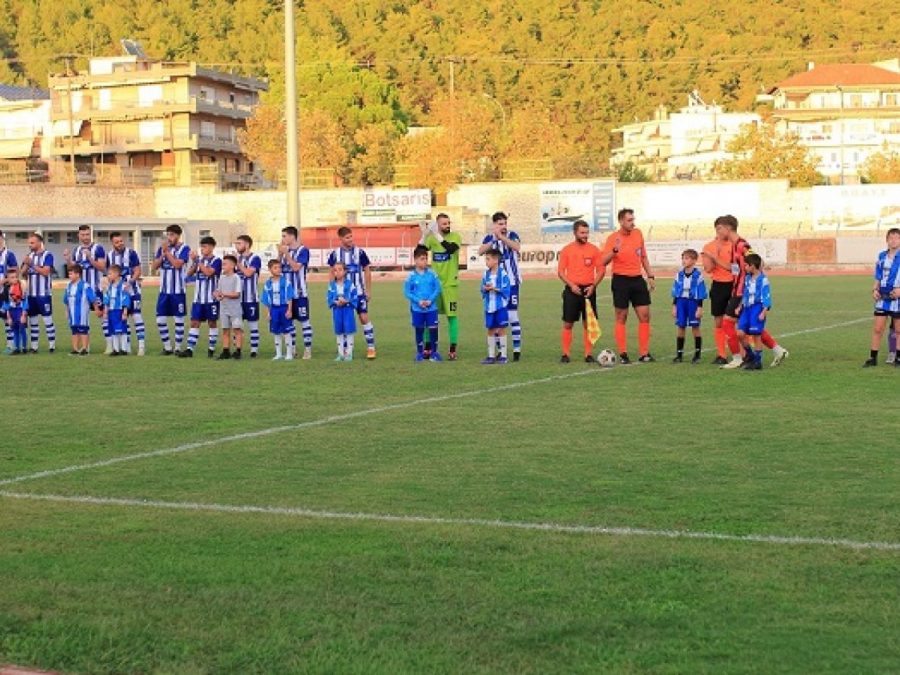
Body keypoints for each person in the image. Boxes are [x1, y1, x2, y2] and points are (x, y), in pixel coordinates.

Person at [717, 216, 790, 369]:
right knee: (749, 327)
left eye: (719, 229)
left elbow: (758, 262)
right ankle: (776, 350)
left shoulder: (742, 245)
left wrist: (755, 282)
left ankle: (739, 358)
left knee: (727, 323)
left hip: (743, 292)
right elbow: (735, 269)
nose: (718, 233)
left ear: (728, 228)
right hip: (738, 291)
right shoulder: (733, 246)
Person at [600, 208, 655, 364]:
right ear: (621, 221)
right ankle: (623, 354)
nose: (632, 222)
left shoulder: (638, 233)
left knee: (644, 315)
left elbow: (643, 256)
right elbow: (603, 261)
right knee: (621, 317)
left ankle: (644, 353)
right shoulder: (613, 238)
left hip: (637, 279)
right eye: (629, 220)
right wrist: (614, 250)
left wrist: (650, 275)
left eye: (633, 219)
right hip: (620, 280)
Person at [557, 219, 604, 363]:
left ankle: (588, 354)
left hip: (589, 290)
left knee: (588, 323)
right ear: (575, 233)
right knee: (568, 323)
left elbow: (601, 270)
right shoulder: (567, 250)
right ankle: (565, 354)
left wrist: (593, 286)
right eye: (582, 233)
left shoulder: (594, 250)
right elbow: (560, 272)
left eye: (587, 233)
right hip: (572, 290)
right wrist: (571, 285)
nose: (585, 235)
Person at [478, 212, 522, 360]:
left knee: (512, 316)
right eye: (500, 224)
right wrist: (494, 239)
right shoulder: (489, 238)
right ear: (494, 225)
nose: (503, 226)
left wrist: (502, 237)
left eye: (505, 223)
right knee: (497, 317)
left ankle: (517, 350)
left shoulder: (512, 235)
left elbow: (517, 247)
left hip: (512, 282)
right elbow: (480, 251)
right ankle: (499, 351)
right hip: (495, 284)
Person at [328, 226, 376, 359]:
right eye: (347, 237)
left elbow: (367, 270)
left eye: (351, 236)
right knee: (343, 321)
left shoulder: (359, 252)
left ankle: (371, 347)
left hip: (359, 293)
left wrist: (368, 290)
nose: (350, 239)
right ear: (341, 239)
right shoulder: (335, 254)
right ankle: (344, 352)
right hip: (341, 294)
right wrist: (331, 289)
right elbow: (332, 271)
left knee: (364, 318)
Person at [421, 213, 462, 359]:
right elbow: (418, 253)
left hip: (450, 284)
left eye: (448, 223)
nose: (448, 225)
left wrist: (437, 235)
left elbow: (450, 249)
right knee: (430, 315)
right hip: (435, 285)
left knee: (452, 317)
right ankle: (427, 347)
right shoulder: (431, 239)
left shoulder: (455, 237)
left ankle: (452, 349)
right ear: (438, 225)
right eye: (444, 224)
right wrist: (424, 236)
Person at [64, 225, 107, 352]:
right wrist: (68, 260)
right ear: (78, 236)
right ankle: (84, 348)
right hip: (79, 292)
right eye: (83, 235)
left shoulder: (98, 248)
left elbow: (102, 267)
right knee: (80, 319)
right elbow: (74, 269)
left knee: (103, 316)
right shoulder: (76, 250)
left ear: (91, 234)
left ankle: (110, 345)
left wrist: (90, 258)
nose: (85, 237)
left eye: (87, 234)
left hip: (95, 289)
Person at [151, 224, 190, 355]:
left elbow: (178, 265)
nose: (169, 237)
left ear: (178, 236)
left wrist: (167, 253)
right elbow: (154, 266)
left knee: (178, 319)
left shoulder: (184, 248)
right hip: (164, 291)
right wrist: (162, 254)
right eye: (168, 234)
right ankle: (167, 347)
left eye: (172, 235)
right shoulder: (162, 249)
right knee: (160, 319)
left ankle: (178, 347)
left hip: (178, 291)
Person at [863, 227, 900, 367]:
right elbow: (878, 276)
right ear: (887, 240)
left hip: (898, 299)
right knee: (878, 329)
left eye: (897, 237)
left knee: (898, 330)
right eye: (891, 238)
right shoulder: (881, 256)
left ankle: (898, 358)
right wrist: (874, 289)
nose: (893, 240)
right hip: (883, 298)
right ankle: (873, 358)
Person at [180, 236, 221, 358]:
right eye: (201, 247)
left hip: (211, 299)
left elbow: (209, 272)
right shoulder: (200, 261)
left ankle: (211, 349)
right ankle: (189, 349)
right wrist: (194, 262)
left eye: (205, 246)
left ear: (212, 247)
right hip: (198, 299)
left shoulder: (217, 261)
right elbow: (189, 274)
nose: (202, 249)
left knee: (212, 323)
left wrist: (198, 260)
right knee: (194, 322)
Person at [106, 231, 145, 356]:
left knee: (137, 317)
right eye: (117, 242)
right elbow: (110, 274)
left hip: (133, 292)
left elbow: (137, 270)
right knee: (123, 320)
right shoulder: (110, 255)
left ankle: (141, 346)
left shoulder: (131, 253)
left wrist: (131, 282)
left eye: (121, 241)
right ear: (112, 243)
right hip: (118, 295)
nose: (120, 243)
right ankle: (125, 347)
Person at [701, 220, 734, 365]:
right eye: (719, 228)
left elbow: (735, 268)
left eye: (725, 228)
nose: (722, 231)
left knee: (734, 320)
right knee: (719, 321)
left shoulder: (735, 245)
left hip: (734, 285)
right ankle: (721, 354)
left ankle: (741, 353)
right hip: (718, 286)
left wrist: (717, 258)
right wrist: (712, 256)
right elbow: (708, 269)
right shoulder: (709, 247)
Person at [403, 245, 443, 362]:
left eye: (426, 258)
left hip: (431, 308)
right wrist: (418, 301)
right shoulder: (410, 276)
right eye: (422, 259)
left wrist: (430, 300)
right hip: (417, 308)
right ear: (415, 260)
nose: (425, 261)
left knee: (433, 329)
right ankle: (420, 353)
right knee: (419, 329)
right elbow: (407, 292)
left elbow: (438, 288)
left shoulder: (432, 274)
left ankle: (434, 352)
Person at [278, 226, 313, 359]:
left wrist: (286, 254)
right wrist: (280, 254)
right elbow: (277, 269)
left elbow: (295, 267)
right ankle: (292, 349)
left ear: (292, 236)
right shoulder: (284, 251)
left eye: (284, 236)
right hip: (286, 295)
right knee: (288, 322)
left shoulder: (303, 250)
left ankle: (307, 349)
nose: (282, 239)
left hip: (299, 293)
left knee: (304, 321)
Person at [734, 253, 771, 371]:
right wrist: (740, 306)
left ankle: (758, 362)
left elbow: (766, 296)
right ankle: (750, 356)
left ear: (753, 266)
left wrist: (764, 311)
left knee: (756, 336)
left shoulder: (763, 280)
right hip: (746, 308)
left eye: (746, 265)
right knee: (740, 333)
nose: (744, 267)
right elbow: (745, 293)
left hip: (757, 308)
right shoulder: (748, 278)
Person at [21, 232, 56, 353]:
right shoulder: (29, 255)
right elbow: (23, 274)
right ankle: (34, 347)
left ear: (39, 242)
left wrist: (32, 264)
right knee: (33, 321)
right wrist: (26, 264)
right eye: (29, 243)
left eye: (32, 242)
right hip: (31, 295)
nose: (30, 245)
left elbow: (46, 272)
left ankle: (51, 345)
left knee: (47, 320)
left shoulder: (48, 255)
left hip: (44, 294)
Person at [671, 249, 708, 364]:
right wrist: (674, 306)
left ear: (694, 260)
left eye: (687, 258)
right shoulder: (679, 274)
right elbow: (676, 291)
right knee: (681, 326)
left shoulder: (698, 275)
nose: (684, 260)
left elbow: (701, 292)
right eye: (683, 258)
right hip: (681, 302)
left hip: (693, 302)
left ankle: (697, 355)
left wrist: (699, 307)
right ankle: (679, 354)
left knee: (695, 327)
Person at [480, 248, 511, 364]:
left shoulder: (503, 274)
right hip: (489, 307)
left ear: (496, 260)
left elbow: (506, 290)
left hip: (500, 307)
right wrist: (485, 289)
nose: (486, 262)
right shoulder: (485, 274)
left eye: (488, 259)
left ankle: (503, 356)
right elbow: (482, 288)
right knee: (490, 329)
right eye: (486, 259)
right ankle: (491, 356)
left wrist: (495, 289)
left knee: (502, 329)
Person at [62, 264, 99, 356]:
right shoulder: (68, 286)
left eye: (71, 274)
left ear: (78, 274)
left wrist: (97, 309)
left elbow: (93, 299)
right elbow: (66, 300)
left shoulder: (85, 286)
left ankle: (85, 349)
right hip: (72, 314)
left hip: (82, 313)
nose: (69, 276)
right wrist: (66, 311)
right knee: (74, 331)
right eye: (69, 274)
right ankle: (75, 349)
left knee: (83, 330)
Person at [261, 259, 295, 361]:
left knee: (287, 331)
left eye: (279, 267)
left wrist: (289, 310)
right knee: (276, 332)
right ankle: (278, 354)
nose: (278, 269)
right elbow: (266, 299)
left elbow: (289, 297)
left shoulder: (286, 282)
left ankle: (289, 354)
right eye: (275, 268)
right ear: (270, 269)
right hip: (274, 309)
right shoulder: (267, 284)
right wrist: (268, 313)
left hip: (284, 308)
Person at [235, 234, 262, 358]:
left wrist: (238, 263)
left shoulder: (255, 258)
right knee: (237, 325)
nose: (236, 246)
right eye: (236, 243)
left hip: (251, 298)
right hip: (237, 298)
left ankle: (254, 350)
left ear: (246, 245)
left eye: (239, 243)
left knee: (253, 325)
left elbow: (248, 273)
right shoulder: (236, 259)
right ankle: (237, 349)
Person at [326, 261, 358, 361]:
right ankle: (340, 354)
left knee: (349, 331)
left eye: (340, 270)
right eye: (335, 270)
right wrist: (335, 302)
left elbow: (355, 297)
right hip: (337, 311)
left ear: (345, 272)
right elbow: (329, 298)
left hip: (348, 310)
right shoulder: (332, 285)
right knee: (339, 331)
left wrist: (347, 301)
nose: (337, 272)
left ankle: (349, 354)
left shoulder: (350, 284)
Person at [216, 254, 243, 360]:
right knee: (225, 330)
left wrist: (224, 294)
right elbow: (219, 292)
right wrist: (217, 295)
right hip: (223, 308)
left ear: (232, 266)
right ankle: (226, 350)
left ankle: (238, 351)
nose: (223, 266)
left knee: (237, 330)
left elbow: (237, 294)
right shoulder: (221, 278)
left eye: (225, 264)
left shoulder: (236, 278)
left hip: (234, 309)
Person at [103, 264, 132, 357]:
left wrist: (125, 312)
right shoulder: (109, 287)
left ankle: (124, 349)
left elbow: (126, 299)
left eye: (110, 274)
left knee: (122, 330)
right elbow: (106, 300)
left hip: (119, 311)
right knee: (113, 331)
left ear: (117, 274)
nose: (108, 276)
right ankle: (115, 349)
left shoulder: (123, 286)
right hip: (111, 311)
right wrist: (105, 312)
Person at [0, 230, 19, 354]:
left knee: (6, 318)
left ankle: (11, 345)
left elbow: (15, 272)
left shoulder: (9, 254)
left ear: (2, 238)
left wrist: (4, 280)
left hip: (4, 291)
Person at [1, 267, 28, 354]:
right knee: (15, 330)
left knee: (22, 329)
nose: (15, 279)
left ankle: (24, 347)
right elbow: (6, 303)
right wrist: (8, 317)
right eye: (12, 277)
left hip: (20, 310)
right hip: (12, 311)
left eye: (16, 277)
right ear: (8, 279)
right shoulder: (7, 289)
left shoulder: (21, 286)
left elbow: (25, 301)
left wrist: (24, 314)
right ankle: (16, 348)